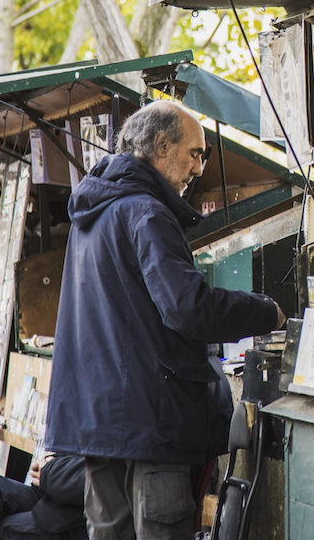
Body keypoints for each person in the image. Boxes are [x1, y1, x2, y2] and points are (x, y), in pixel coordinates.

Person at [44, 101, 285, 540]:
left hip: (101, 421)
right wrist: (266, 311)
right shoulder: (146, 212)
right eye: (195, 153)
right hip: (150, 420)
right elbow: (187, 306)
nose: (198, 167)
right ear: (161, 145)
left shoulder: (96, 213)